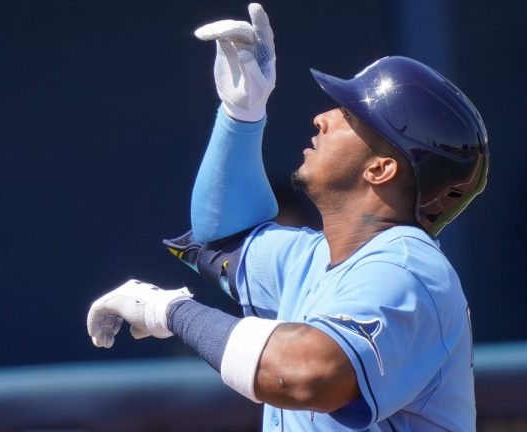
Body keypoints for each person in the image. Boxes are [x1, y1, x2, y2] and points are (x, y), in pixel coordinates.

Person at [86, 4, 489, 431]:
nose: (323, 118)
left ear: (380, 169)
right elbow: (223, 237)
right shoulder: (314, 258)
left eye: (349, 116)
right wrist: (241, 115)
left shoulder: (407, 270)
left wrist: (171, 312)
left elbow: (310, 375)